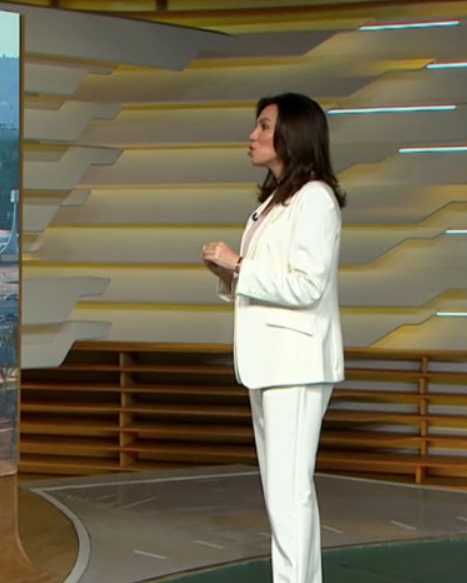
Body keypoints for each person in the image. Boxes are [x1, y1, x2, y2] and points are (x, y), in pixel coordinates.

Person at [201, 92, 345, 583]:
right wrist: (229, 274)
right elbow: (270, 280)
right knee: (285, 493)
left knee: (289, 494)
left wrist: (239, 265)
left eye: (264, 126)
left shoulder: (316, 200)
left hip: (297, 364)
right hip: (272, 364)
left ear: (293, 135)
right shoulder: (272, 202)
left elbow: (307, 285)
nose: (253, 135)